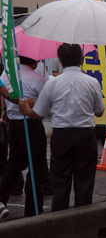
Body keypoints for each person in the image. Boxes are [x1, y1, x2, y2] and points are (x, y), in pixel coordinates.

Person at [18, 45, 104, 212]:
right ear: (81, 59)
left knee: (60, 185)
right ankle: (83, 222)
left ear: (61, 61)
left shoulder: (52, 83)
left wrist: (26, 110)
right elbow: (100, 112)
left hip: (61, 136)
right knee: (85, 184)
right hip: (85, 135)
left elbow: (38, 114)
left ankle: (59, 223)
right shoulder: (92, 82)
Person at [0, 56, 47, 218]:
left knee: (13, 165)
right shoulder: (38, 78)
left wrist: (4, 109)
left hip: (14, 125)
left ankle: (1, 200)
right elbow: (44, 103)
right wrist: (30, 104)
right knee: (36, 168)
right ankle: (33, 208)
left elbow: (3, 93)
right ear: (34, 61)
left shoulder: (7, 74)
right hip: (31, 124)